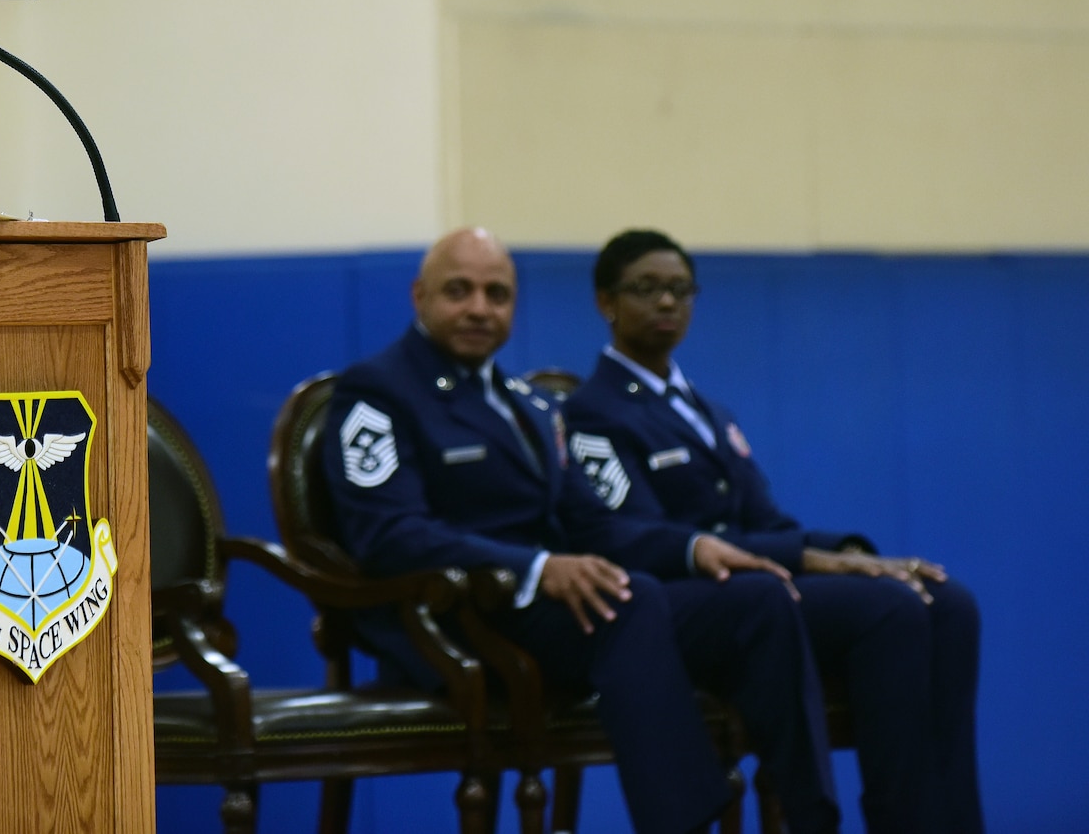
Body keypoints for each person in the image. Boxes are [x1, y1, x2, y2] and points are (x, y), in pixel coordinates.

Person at [320, 227, 839, 834]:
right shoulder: (378, 392)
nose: (479, 309)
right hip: (462, 615)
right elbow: (389, 535)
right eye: (458, 291)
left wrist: (696, 550)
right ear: (419, 297)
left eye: (497, 294)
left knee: (757, 601)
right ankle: (685, 824)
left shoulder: (530, 405)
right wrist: (537, 569)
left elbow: (593, 522)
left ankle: (812, 821)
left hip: (563, 608)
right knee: (632, 599)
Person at [564, 229, 983, 833]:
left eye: (681, 290)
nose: (666, 303)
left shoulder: (708, 411)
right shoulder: (592, 412)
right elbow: (640, 534)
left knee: (949, 605)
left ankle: (954, 822)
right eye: (647, 289)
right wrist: (822, 565)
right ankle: (903, 821)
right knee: (889, 610)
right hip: (702, 604)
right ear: (607, 302)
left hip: (764, 586)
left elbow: (768, 521)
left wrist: (849, 552)